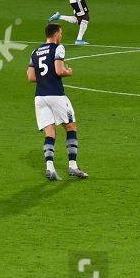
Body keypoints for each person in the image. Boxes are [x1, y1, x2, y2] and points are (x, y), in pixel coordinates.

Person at [27, 23, 87, 181]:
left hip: (40, 97)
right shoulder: (58, 48)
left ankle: (50, 168)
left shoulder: (35, 51)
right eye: (60, 33)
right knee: (71, 127)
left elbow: (31, 77)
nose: (61, 36)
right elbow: (59, 70)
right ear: (55, 34)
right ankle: (73, 166)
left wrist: (45, 78)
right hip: (56, 95)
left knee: (50, 132)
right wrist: (68, 72)